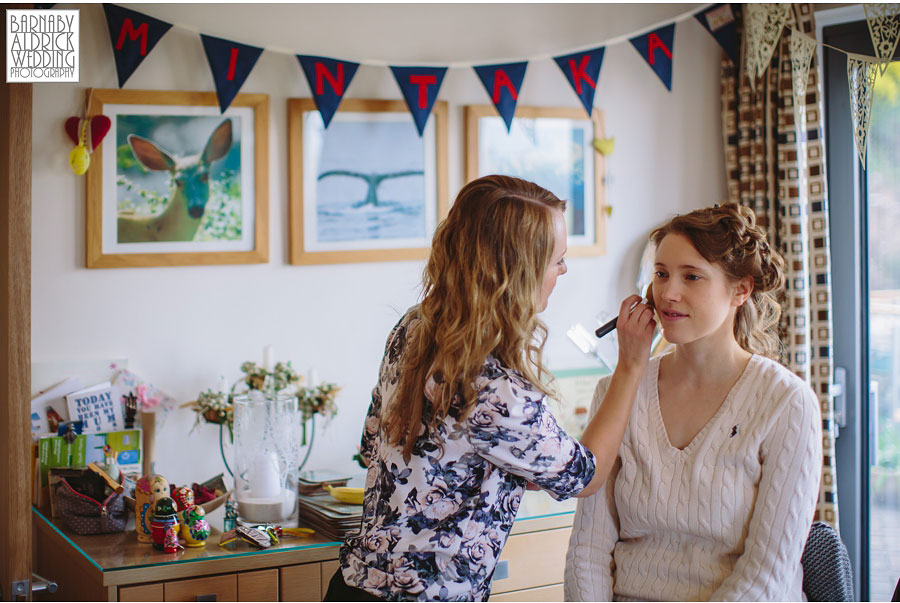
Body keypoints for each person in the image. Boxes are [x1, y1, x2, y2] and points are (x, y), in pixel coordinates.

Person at [326, 175, 656, 601]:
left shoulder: (415, 325)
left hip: (355, 587)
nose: (563, 270)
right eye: (557, 260)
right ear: (519, 271)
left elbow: (374, 442)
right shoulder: (498, 389)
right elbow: (585, 475)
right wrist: (630, 365)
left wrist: (506, 461)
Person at [564, 202, 823, 602]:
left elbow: (767, 575)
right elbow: (587, 553)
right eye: (661, 274)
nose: (668, 293)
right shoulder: (616, 393)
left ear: (741, 290)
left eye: (692, 277)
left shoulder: (787, 403)